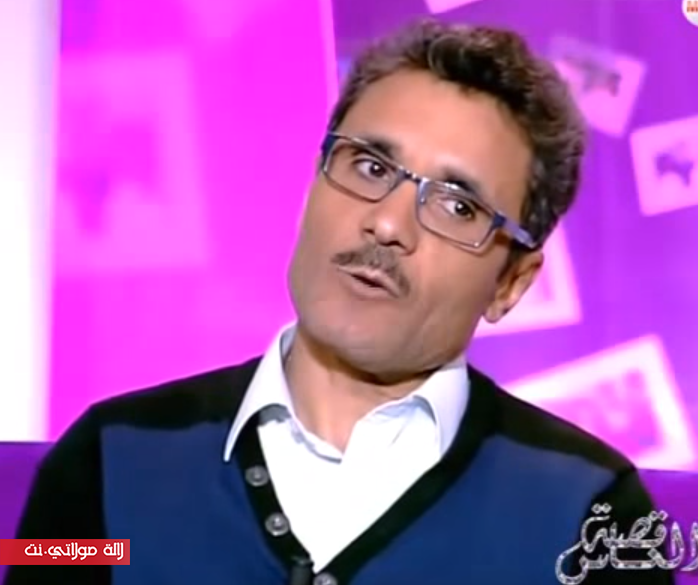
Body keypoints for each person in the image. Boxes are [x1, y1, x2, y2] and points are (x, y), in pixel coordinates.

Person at [5, 18, 674, 585]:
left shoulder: (593, 513)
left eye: (456, 204)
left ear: (512, 283)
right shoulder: (107, 458)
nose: (386, 223)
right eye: (370, 167)